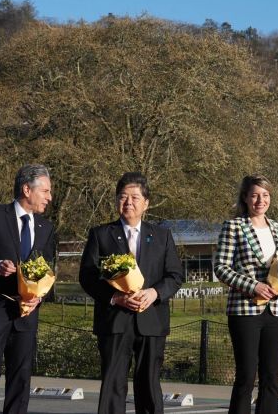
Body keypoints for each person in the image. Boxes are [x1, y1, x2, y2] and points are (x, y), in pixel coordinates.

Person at [78, 172, 184, 414]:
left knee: (149, 382)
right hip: (114, 319)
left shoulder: (162, 236)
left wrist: (154, 293)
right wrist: (115, 297)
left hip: (152, 320)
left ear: (146, 203)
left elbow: (175, 276)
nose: (128, 202)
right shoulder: (100, 234)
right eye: (123, 197)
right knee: (113, 383)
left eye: (135, 197)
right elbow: (87, 276)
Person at [0, 163, 57, 414]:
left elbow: (47, 270)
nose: (50, 197)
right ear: (27, 189)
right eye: (45, 191)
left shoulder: (46, 228)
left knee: (21, 377)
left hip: (27, 312)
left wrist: (39, 297)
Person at [213, 174, 278, 414]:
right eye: (255, 195)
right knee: (246, 376)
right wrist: (253, 286)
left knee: (271, 377)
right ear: (246, 198)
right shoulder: (234, 226)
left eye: (266, 195)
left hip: (277, 310)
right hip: (245, 310)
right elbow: (221, 268)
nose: (261, 200)